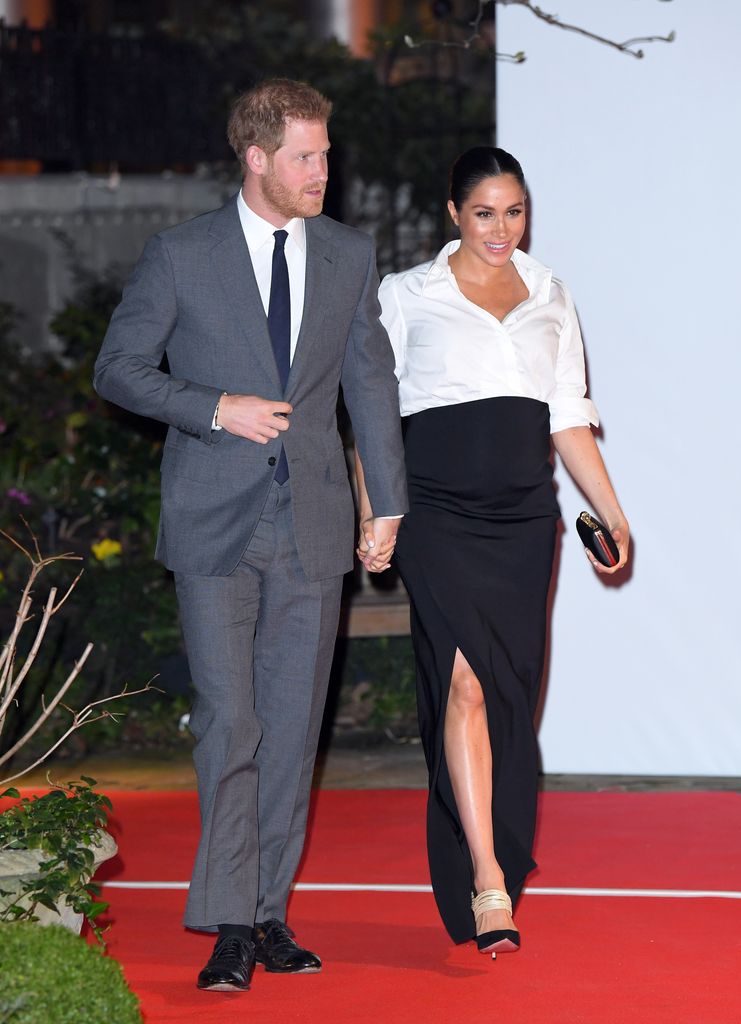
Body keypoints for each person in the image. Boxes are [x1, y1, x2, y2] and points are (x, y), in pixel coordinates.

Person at [94, 79, 406, 993]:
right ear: (257, 157)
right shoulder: (181, 255)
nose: (324, 170)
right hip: (212, 526)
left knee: (293, 731)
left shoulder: (349, 255)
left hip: (313, 523)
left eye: (326, 152)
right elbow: (118, 369)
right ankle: (229, 920)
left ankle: (268, 912)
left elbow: (370, 385)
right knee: (230, 724)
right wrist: (212, 408)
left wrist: (386, 501)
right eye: (306, 155)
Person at [358, 146, 629, 956]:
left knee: (511, 697)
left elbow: (569, 419)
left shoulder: (550, 295)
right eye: (484, 213)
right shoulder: (406, 295)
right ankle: (487, 881)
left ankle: (489, 848)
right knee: (468, 684)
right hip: (438, 514)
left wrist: (614, 517)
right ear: (452, 213)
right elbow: (373, 414)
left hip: (522, 521)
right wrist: (378, 512)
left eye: (514, 212)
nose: (501, 229)